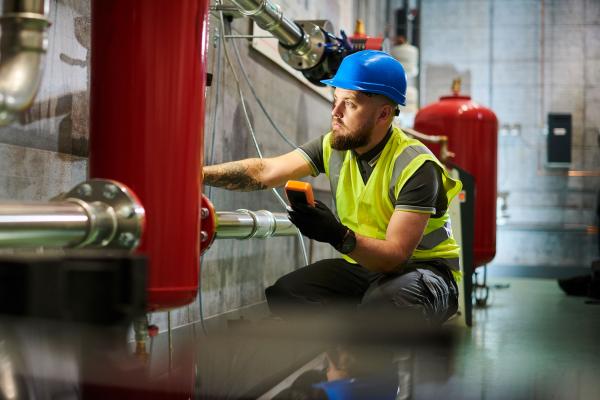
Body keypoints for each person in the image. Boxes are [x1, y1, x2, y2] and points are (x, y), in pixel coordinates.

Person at [203, 50, 461, 324]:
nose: (335, 114)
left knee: (387, 303)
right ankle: (346, 352)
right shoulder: (335, 146)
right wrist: (198, 175)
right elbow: (266, 171)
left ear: (383, 114)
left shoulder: (416, 165)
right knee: (288, 295)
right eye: (335, 100)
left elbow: (395, 259)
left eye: (349, 104)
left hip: (426, 273)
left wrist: (338, 235)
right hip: (368, 267)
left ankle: (368, 357)